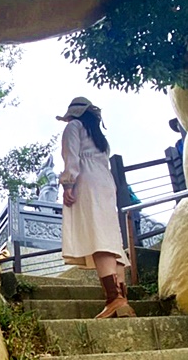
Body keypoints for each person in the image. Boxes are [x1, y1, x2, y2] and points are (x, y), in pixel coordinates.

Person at [57, 97, 135, 319]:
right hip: (105, 182)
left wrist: (68, 185)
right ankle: (122, 300)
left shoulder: (74, 127)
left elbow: (71, 159)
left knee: (99, 237)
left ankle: (114, 298)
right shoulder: (100, 138)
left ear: (73, 114)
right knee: (111, 237)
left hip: (87, 181)